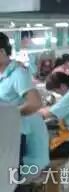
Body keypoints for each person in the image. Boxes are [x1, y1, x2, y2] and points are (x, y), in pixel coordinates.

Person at [0, 32, 49, 174]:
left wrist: (9, 115)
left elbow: (35, 103)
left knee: (8, 174)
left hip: (23, 138)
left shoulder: (18, 73)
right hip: (10, 133)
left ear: (2, 52)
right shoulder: (4, 75)